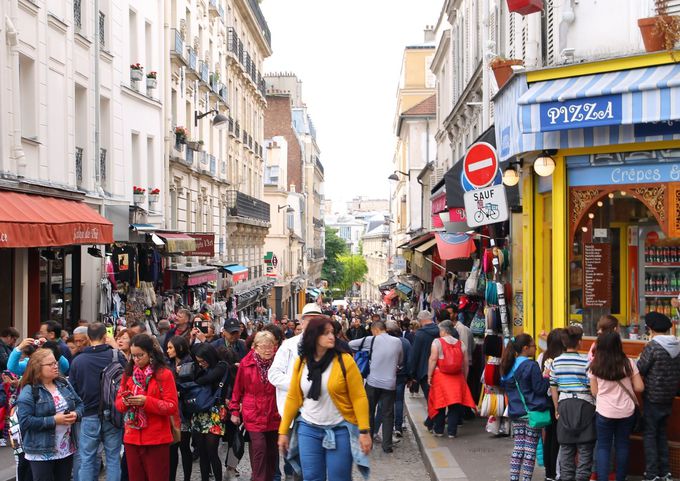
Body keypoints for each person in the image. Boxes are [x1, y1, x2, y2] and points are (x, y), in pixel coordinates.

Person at [278, 315, 371, 481]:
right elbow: (293, 397)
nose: (331, 337)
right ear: (314, 336)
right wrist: (283, 431)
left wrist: (364, 431)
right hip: (308, 429)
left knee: (339, 478)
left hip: (340, 429)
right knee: (312, 477)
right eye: (326, 333)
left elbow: (359, 397)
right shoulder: (302, 362)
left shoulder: (345, 361)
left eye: (332, 333)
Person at [268, 303, 322, 480]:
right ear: (303, 322)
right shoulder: (289, 345)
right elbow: (274, 375)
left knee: (317, 459)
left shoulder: (331, 347)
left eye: (317, 320)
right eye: (309, 319)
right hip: (294, 410)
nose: (313, 323)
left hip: (320, 411)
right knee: (295, 457)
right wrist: (299, 384)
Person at [115, 334, 179, 481]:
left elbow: (172, 406)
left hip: (156, 439)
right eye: (133, 356)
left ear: (150, 353)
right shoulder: (128, 374)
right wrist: (126, 402)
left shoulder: (164, 374)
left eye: (140, 355)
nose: (136, 360)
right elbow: (118, 404)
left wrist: (146, 402)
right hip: (132, 438)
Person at [16, 348, 84, 481]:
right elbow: (25, 422)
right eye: (51, 364)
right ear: (37, 368)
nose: (56, 366)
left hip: (65, 448)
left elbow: (80, 404)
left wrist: (76, 414)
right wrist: (53, 420)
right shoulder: (29, 392)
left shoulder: (63, 383)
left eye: (56, 363)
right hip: (41, 451)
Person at [588, 331, 644, 481]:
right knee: (623, 446)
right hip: (626, 412)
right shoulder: (628, 363)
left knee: (603, 447)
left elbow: (594, 392)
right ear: (619, 344)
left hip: (604, 412)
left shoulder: (595, 365)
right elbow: (640, 387)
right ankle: (620, 478)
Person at [228, 331, 280, 481]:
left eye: (270, 346)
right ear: (255, 347)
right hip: (254, 412)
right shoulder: (246, 363)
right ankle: (258, 478)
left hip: (273, 412)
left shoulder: (279, 362)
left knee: (272, 452)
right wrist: (235, 410)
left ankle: (268, 478)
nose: (267, 350)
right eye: (263, 346)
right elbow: (238, 389)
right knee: (259, 450)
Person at [500, 334, 549, 481]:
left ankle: (514, 478)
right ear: (525, 348)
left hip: (515, 412)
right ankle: (526, 479)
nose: (535, 348)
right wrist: (546, 376)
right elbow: (539, 389)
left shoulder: (508, 366)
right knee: (530, 449)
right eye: (534, 346)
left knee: (518, 447)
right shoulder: (530, 365)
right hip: (531, 412)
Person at [637, 312, 680, 481]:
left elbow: (640, 368)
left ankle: (652, 473)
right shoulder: (677, 346)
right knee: (662, 434)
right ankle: (665, 472)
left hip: (653, 397)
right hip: (668, 397)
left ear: (651, 329)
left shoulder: (653, 346)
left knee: (649, 434)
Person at [348, 320, 402, 453]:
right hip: (390, 383)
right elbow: (400, 360)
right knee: (388, 414)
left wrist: (365, 350)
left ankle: (368, 442)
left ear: (375, 330)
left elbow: (350, 344)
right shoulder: (397, 342)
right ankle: (387, 445)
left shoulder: (371, 340)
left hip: (373, 382)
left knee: (369, 412)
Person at [550, 326, 595, 481]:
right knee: (585, 448)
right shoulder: (585, 362)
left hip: (564, 404)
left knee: (566, 447)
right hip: (585, 404)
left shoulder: (555, 362)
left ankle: (566, 477)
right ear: (580, 343)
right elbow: (591, 387)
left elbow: (553, 386)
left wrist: (556, 408)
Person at [426, 320, 475, 438]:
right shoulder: (460, 343)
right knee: (454, 406)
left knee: (440, 404)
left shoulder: (437, 342)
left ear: (443, 330)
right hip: (457, 378)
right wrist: (464, 378)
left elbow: (433, 359)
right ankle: (452, 432)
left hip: (440, 377)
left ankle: (439, 430)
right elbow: (465, 364)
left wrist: (429, 375)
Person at [189, 343, 229, 481]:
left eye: (202, 361)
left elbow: (208, 379)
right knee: (203, 453)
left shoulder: (222, 366)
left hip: (215, 412)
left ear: (209, 357)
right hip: (200, 411)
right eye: (198, 361)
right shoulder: (199, 368)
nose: (201, 364)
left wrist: (196, 379)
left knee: (212, 452)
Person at [538, 328, 565, 481]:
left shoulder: (542, 357)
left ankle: (550, 473)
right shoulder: (562, 359)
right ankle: (557, 472)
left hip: (546, 401)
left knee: (549, 437)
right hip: (560, 400)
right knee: (559, 438)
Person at [166, 336, 194, 481]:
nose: (168, 350)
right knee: (172, 449)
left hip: (184, 410)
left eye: (171, 347)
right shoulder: (168, 363)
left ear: (180, 348)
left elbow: (192, 385)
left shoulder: (189, 362)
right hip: (171, 410)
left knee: (184, 447)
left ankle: (187, 478)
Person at [407, 310, 439, 427]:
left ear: (421, 320)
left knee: (430, 398)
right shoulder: (440, 330)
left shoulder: (420, 334)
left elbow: (415, 355)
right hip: (439, 369)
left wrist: (412, 374)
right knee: (437, 397)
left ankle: (433, 422)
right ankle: (432, 421)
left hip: (425, 371)